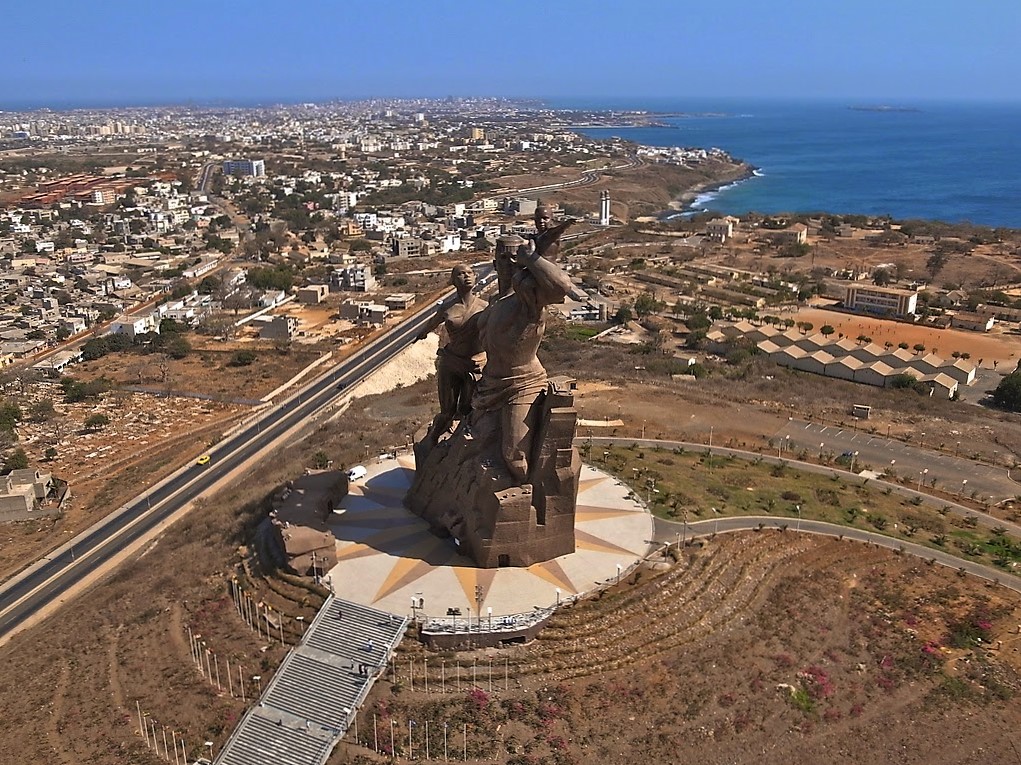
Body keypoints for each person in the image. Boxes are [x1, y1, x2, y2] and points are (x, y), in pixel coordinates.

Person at [474, 222, 575, 484]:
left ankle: (525, 505)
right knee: (477, 441)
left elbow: (562, 286)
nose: (507, 264)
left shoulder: (528, 298)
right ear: (495, 263)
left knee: (514, 455)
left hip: (522, 384)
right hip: (490, 384)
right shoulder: (495, 302)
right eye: (502, 258)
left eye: (512, 258)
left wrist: (532, 259)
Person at [415, 264, 486, 443]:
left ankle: (462, 444)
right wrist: (421, 334)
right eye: (461, 274)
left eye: (469, 273)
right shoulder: (447, 308)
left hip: (475, 365)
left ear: (475, 277)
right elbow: (430, 325)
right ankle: (431, 443)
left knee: (468, 409)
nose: (466, 276)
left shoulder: (485, 307)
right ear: (453, 281)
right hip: (451, 362)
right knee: (447, 410)